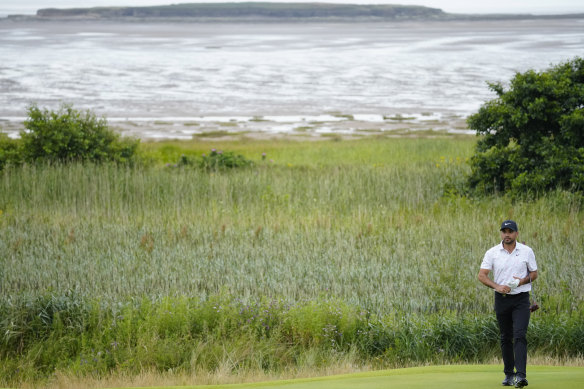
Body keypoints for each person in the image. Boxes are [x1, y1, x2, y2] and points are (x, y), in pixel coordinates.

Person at [478, 220, 538, 388]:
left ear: (516, 234)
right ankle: (509, 375)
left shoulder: (526, 251)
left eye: (510, 231)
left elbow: (534, 274)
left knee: (520, 335)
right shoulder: (492, 252)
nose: (507, 234)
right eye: (504, 231)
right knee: (506, 337)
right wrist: (497, 286)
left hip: (521, 299)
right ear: (501, 234)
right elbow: (482, 275)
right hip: (502, 299)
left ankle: (520, 376)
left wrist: (522, 281)